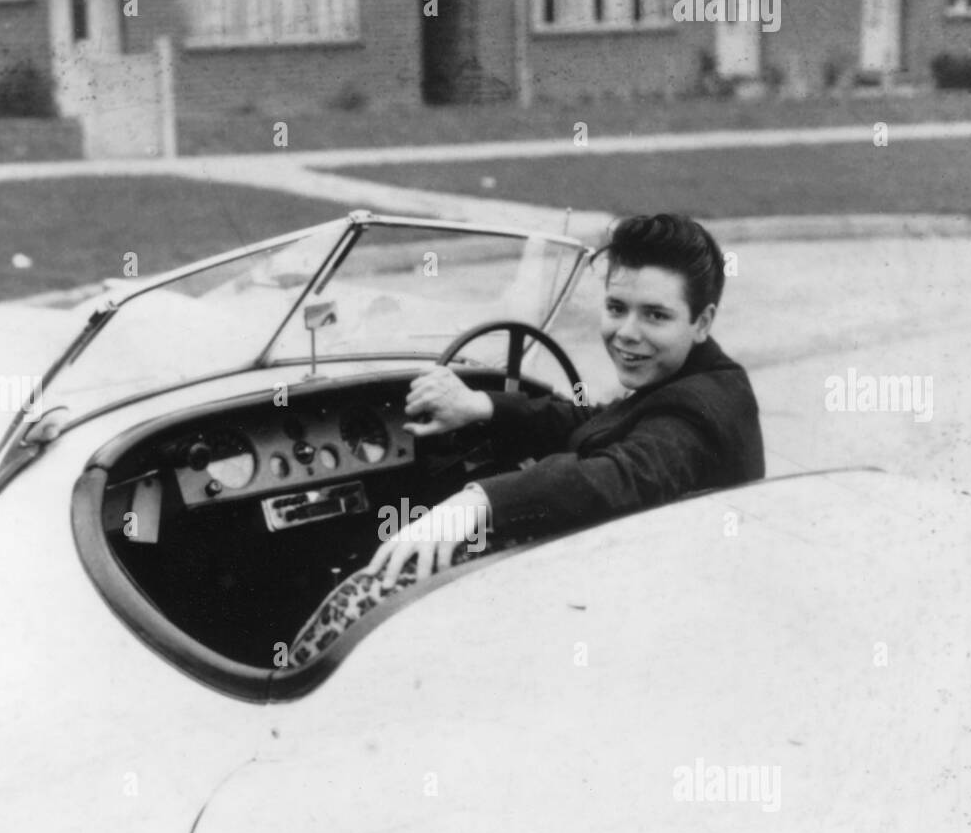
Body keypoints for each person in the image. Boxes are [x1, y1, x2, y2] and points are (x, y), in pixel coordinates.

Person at [288, 212, 764, 666]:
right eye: (616, 308)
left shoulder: (697, 410)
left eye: (655, 316)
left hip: (639, 626)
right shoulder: (697, 380)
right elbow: (600, 421)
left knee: (365, 595)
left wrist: (475, 503)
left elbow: (619, 475)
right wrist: (483, 406)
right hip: (634, 593)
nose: (626, 333)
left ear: (702, 321)